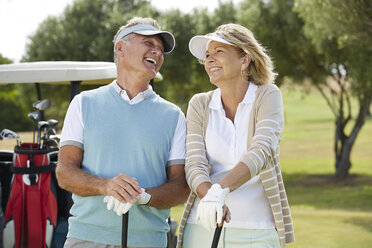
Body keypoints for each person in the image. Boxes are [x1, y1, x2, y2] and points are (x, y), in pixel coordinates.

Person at [56, 17, 189, 248]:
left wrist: (143, 196)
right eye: (149, 43)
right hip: (87, 238)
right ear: (120, 48)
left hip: (147, 241)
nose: (157, 52)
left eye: (161, 50)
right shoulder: (83, 104)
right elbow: (65, 172)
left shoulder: (174, 116)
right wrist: (105, 185)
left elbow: (181, 188)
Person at [177, 23, 295, 248]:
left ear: (245, 59)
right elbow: (194, 164)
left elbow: (262, 151)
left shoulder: (267, 95)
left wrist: (219, 190)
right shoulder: (199, 104)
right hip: (204, 226)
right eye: (207, 55)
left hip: (257, 229)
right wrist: (210, 198)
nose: (210, 59)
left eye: (219, 51)